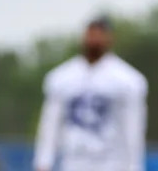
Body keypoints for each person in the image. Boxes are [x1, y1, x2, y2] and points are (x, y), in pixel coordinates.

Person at [33, 16, 148, 171]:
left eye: (99, 34)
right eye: (91, 34)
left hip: (111, 163)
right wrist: (43, 161)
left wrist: (135, 166)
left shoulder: (127, 80)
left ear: (109, 38)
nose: (94, 40)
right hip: (73, 162)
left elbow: (133, 129)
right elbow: (50, 124)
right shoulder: (62, 78)